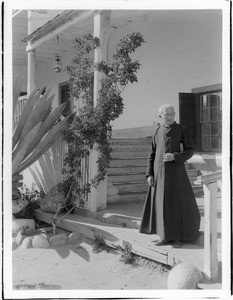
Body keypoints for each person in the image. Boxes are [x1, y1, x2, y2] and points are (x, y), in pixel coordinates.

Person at [139, 104, 200, 248]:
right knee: (161, 205)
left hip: (177, 174)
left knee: (177, 205)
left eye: (171, 114)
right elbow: (151, 154)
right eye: (166, 114)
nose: (169, 117)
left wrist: (175, 156)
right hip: (159, 174)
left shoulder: (181, 130)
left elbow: (190, 150)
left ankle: (178, 237)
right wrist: (149, 174)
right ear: (160, 116)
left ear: (175, 114)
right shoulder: (157, 131)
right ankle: (164, 236)